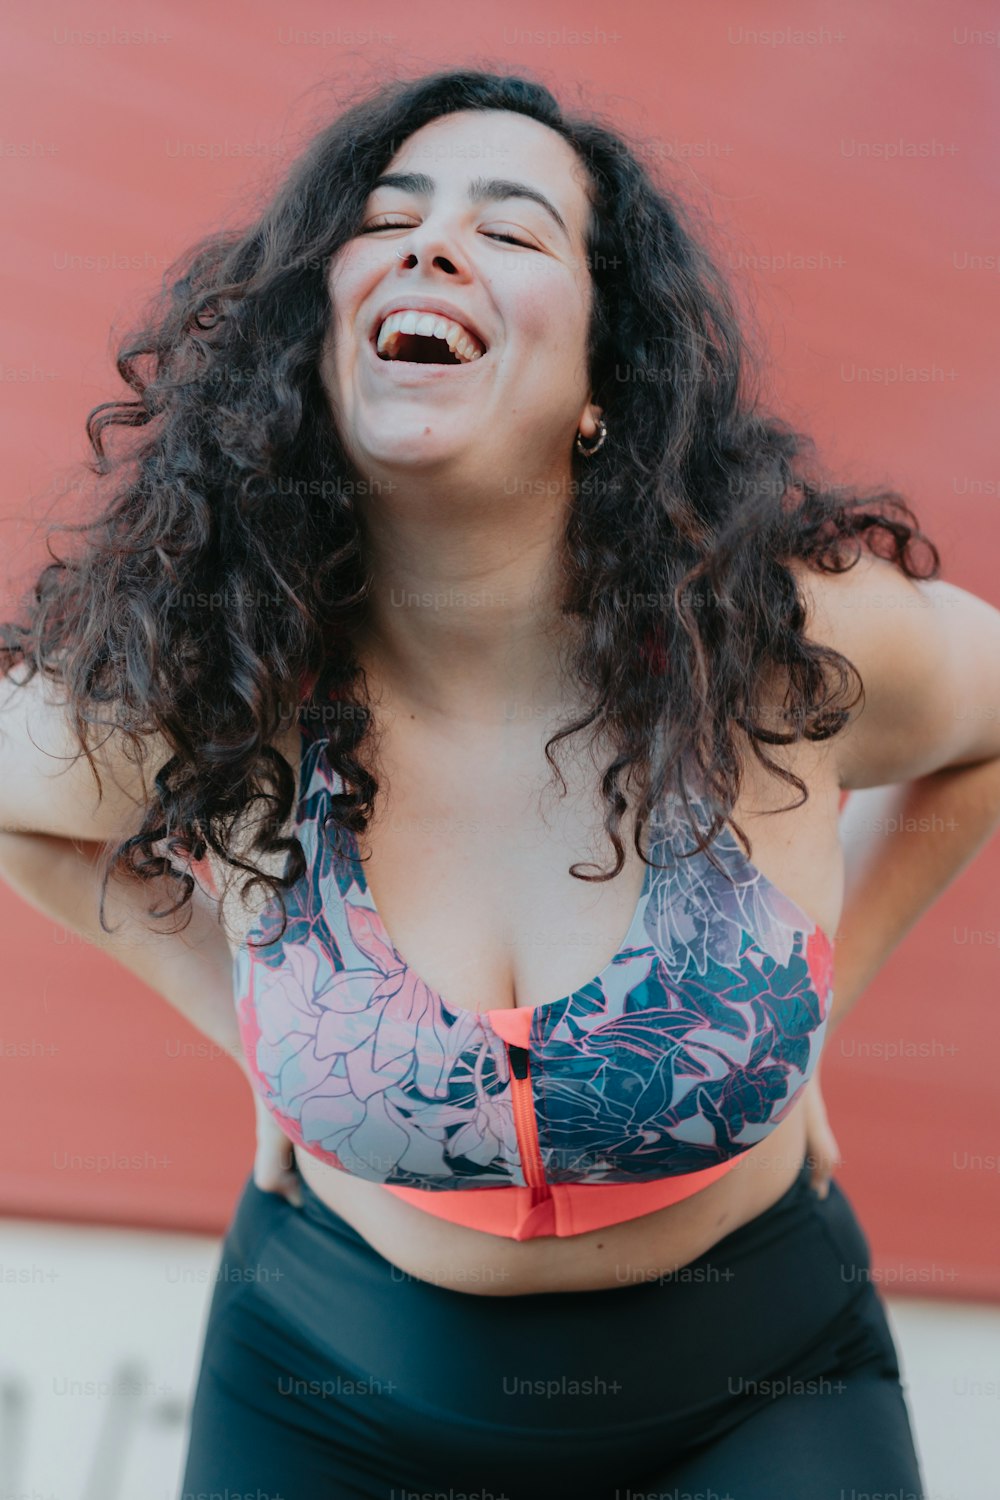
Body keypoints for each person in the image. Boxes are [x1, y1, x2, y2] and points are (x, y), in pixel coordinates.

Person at [3, 66, 999, 1500]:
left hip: (757, 1400)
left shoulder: (778, 654)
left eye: (513, 229)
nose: (430, 244)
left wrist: (828, 997)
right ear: (312, 339)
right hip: (324, 1401)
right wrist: (247, 1015)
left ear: (605, 378)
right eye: (389, 216)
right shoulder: (218, 692)